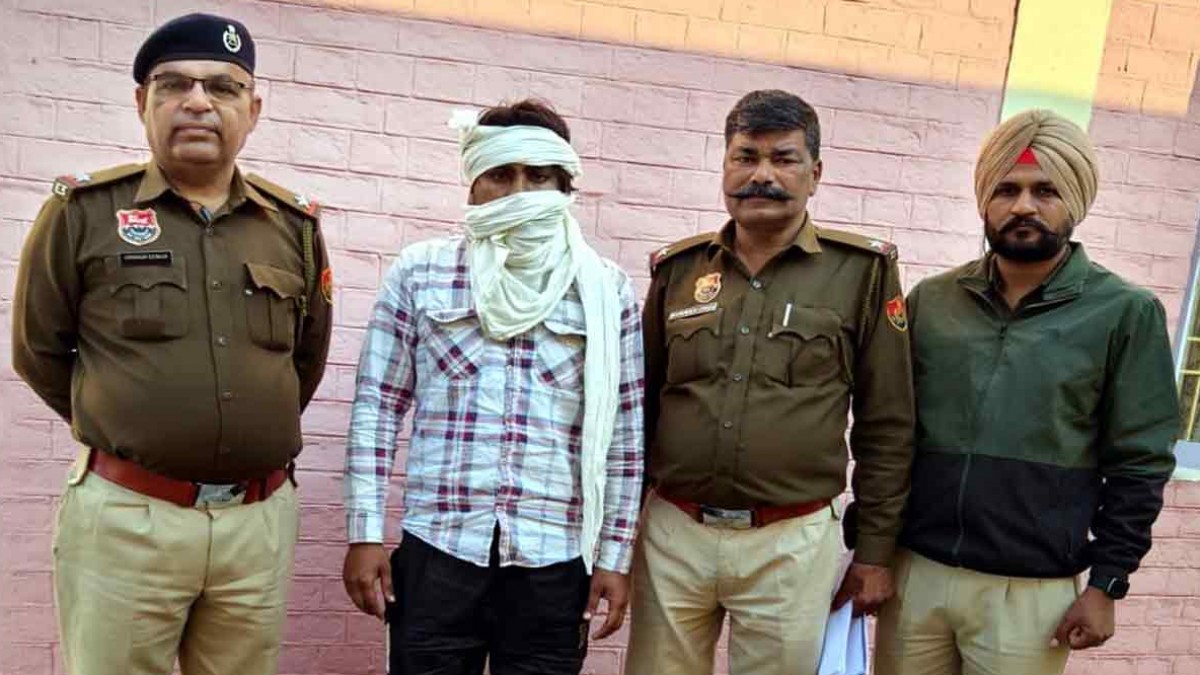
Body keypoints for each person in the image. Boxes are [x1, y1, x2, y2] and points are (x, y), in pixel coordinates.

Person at [10, 12, 332, 675]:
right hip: (128, 520)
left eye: (223, 87)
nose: (198, 101)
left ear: (253, 109)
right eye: (174, 84)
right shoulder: (83, 213)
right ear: (142, 102)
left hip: (256, 526)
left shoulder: (292, 226)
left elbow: (305, 358)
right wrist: (130, 424)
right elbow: (38, 349)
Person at [341, 99, 644, 675]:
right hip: (438, 547)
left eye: (538, 176)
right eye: (502, 174)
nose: (519, 192)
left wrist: (615, 556)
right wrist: (364, 533)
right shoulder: (421, 272)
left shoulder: (606, 290)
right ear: (474, 182)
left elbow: (625, 438)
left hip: (555, 557)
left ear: (565, 185)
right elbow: (377, 408)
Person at [874, 108, 1179, 675]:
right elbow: (891, 436)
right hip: (918, 575)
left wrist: (1108, 582)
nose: (1023, 206)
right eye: (1007, 190)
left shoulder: (1124, 313)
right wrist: (872, 551)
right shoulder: (931, 302)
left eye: (1045, 191)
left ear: (1075, 201)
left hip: (1032, 594)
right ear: (984, 200)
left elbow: (1140, 462)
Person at [626, 89, 915, 675]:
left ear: (815, 173)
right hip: (675, 532)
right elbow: (640, 410)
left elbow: (887, 424)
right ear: (725, 165)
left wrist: (874, 550)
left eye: (783, 158)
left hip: (790, 542)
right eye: (745, 156)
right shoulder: (678, 271)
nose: (762, 175)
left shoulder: (860, 273)